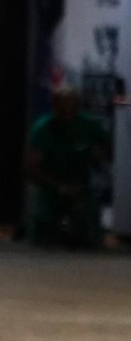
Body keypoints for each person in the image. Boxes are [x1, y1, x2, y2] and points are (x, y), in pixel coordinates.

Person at [25, 82, 109, 249]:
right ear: (54, 105)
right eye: (62, 103)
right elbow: (31, 167)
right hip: (48, 184)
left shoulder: (89, 126)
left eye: (71, 103)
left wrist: (97, 155)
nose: (67, 108)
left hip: (81, 183)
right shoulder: (43, 129)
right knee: (43, 225)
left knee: (89, 222)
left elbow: (106, 151)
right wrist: (59, 187)